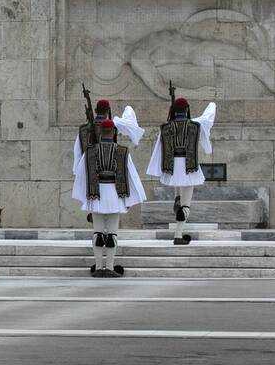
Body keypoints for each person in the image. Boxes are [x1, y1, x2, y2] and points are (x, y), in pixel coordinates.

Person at [70, 99, 146, 278]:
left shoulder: (90, 151)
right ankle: (110, 267)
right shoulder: (122, 151)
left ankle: (98, 268)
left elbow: (81, 173)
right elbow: (131, 175)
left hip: (95, 193)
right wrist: (130, 199)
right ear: (113, 132)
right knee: (112, 234)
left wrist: (84, 196)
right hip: (114, 194)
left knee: (97, 233)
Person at [146, 93, 217, 245]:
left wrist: (157, 169)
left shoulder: (165, 127)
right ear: (187, 110)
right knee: (186, 204)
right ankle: (178, 234)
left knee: (177, 184)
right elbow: (208, 123)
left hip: (171, 166)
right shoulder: (195, 126)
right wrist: (208, 149)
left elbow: (159, 149)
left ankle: (177, 198)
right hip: (189, 166)